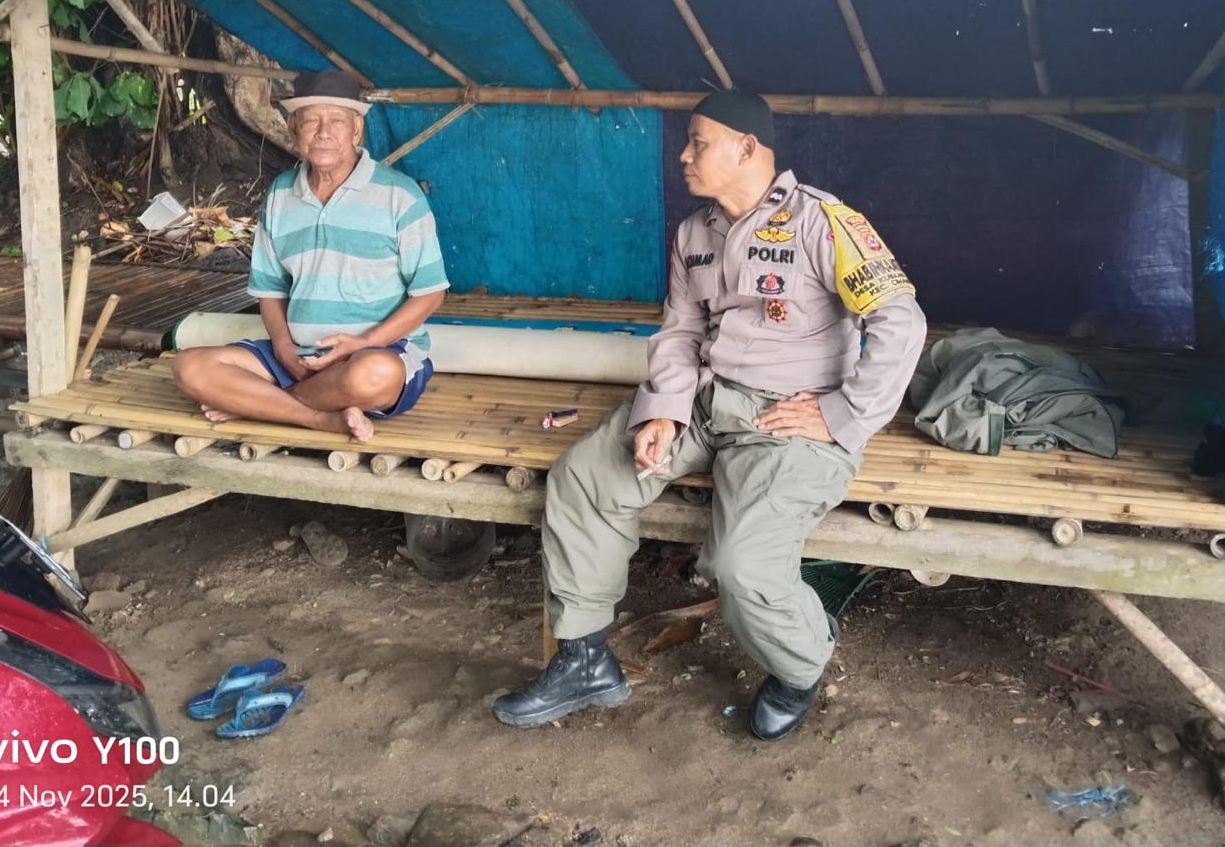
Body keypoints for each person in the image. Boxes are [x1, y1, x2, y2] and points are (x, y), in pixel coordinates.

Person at [493, 91, 926, 740]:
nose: (683, 155)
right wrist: (664, 411)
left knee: (741, 566)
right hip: (703, 400)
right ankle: (584, 659)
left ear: (747, 148)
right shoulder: (695, 232)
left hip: (788, 418)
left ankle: (800, 664)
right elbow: (681, 330)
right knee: (584, 479)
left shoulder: (823, 221)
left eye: (698, 142)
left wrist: (843, 413)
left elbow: (900, 321)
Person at [173, 69, 448, 442]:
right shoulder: (280, 195)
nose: (323, 132)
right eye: (311, 121)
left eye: (337, 121)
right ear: (292, 129)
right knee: (190, 368)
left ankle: (261, 405)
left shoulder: (400, 195)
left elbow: (431, 293)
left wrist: (363, 343)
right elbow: (270, 290)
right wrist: (283, 347)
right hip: (296, 358)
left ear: (356, 130)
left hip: (374, 352)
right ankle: (319, 418)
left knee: (374, 375)